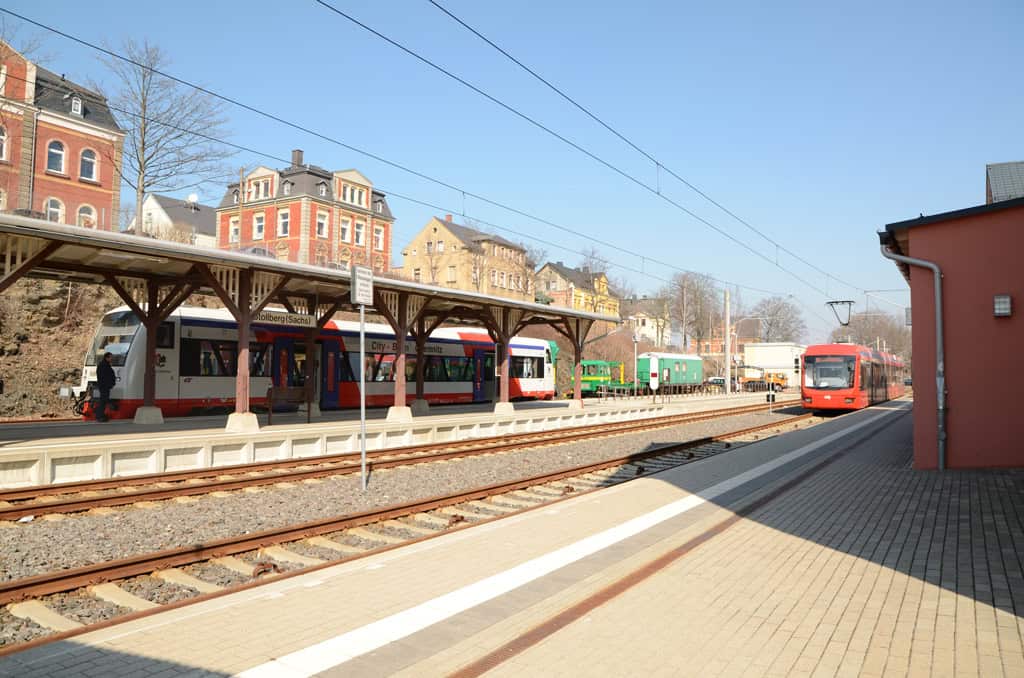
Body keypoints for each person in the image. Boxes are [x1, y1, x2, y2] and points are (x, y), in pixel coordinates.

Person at [95, 352, 116, 422]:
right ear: (107, 357)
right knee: (103, 401)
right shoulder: (104, 365)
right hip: (104, 386)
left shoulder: (104, 365)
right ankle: (100, 416)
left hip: (104, 385)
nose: (112, 358)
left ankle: (100, 415)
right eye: (111, 357)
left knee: (103, 400)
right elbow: (105, 376)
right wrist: (109, 384)